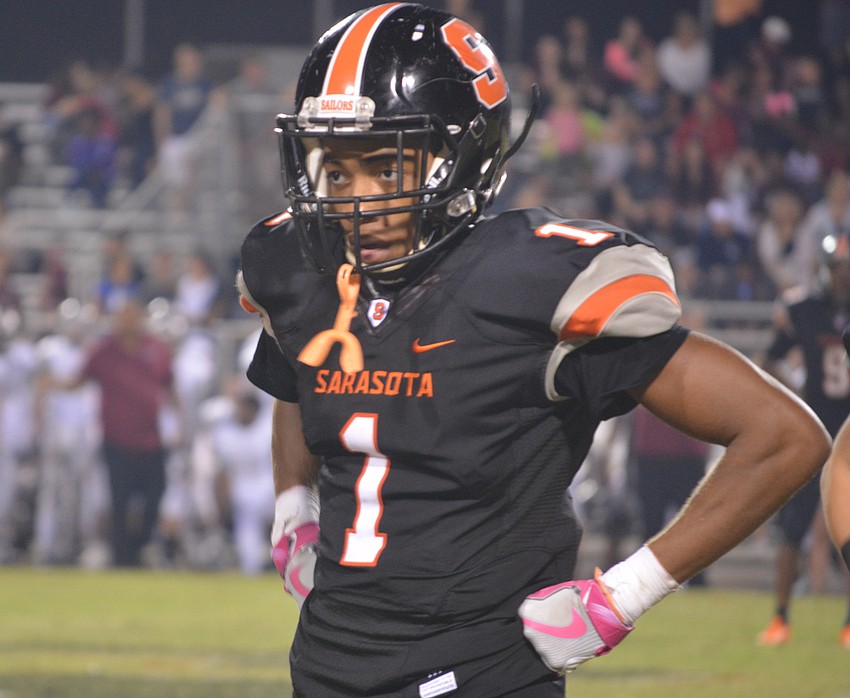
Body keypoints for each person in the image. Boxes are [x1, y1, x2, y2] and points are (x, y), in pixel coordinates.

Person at [237, 5, 830, 696]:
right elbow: (298, 372)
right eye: (335, 171)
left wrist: (622, 597)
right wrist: (292, 503)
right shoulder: (303, 267)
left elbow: (784, 436)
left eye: (384, 166)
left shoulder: (529, 285)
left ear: (460, 158)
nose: (355, 199)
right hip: (323, 665)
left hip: (478, 674)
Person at [757, 232, 850, 648]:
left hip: (848, 432)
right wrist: (792, 393)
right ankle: (780, 617)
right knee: (793, 528)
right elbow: (769, 358)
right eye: (837, 269)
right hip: (814, 429)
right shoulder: (804, 309)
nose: (843, 276)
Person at [56, 299, 180, 567]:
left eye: (132, 315)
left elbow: (169, 386)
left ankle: (142, 543)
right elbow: (79, 380)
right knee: (119, 501)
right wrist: (51, 384)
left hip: (150, 439)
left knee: (156, 493)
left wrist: (179, 422)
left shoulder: (156, 349)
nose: (127, 322)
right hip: (116, 440)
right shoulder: (104, 350)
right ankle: (123, 557)